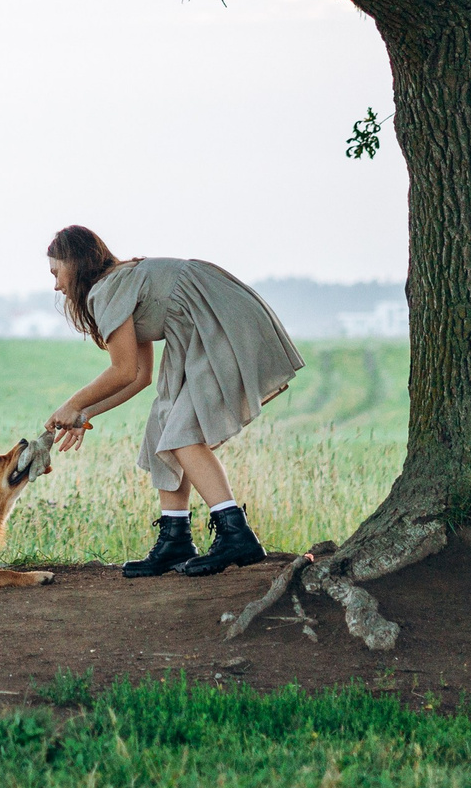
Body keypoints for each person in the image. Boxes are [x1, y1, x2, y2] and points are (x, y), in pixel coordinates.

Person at [43, 225, 304, 578]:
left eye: (57, 273)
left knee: (183, 433)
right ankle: (175, 539)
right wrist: (84, 413)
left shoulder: (107, 290)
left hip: (221, 326)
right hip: (208, 327)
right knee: (164, 421)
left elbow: (122, 371)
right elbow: (139, 376)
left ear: (74, 264)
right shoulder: (120, 285)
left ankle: (236, 534)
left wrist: (71, 403)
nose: (57, 285)